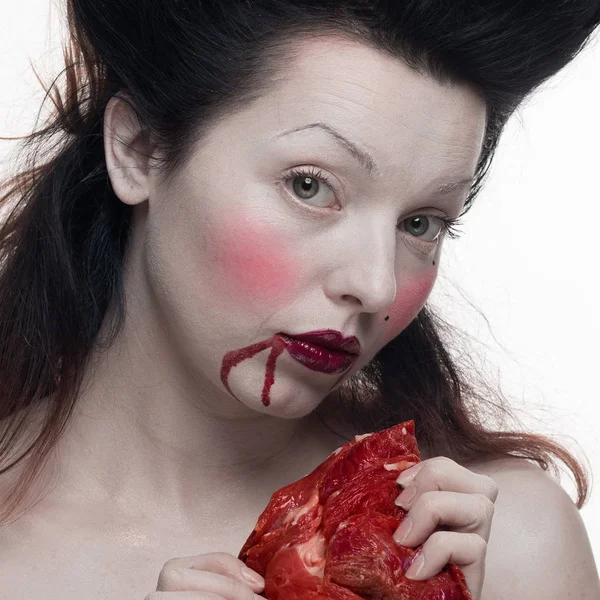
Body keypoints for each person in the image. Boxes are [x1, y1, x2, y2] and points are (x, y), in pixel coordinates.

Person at [0, 0, 599, 598]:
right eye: (310, 186)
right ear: (139, 150)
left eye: (420, 223)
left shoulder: (500, 541)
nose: (376, 285)